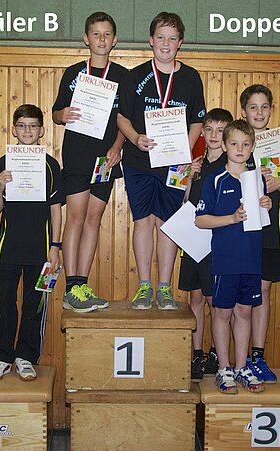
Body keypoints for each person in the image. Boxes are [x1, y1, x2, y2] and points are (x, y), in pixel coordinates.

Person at [117, 11, 206, 310]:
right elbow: (122, 118)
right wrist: (134, 138)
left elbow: (197, 121)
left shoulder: (191, 78)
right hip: (138, 162)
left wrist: (184, 151)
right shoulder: (134, 76)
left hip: (174, 164)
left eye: (172, 38)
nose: (166, 44)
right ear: (151, 41)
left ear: (180, 43)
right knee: (143, 221)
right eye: (160, 37)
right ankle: (145, 286)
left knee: (168, 222)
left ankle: (164, 288)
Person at [52, 12, 127, 313]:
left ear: (114, 39)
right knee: (76, 218)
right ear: (86, 38)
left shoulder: (122, 75)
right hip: (77, 155)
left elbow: (124, 120)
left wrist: (117, 147)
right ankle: (71, 288)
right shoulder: (73, 73)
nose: (101, 39)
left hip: (105, 158)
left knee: (94, 219)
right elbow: (56, 112)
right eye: (96, 33)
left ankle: (81, 285)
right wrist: (63, 114)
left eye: (107, 34)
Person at [0, 104, 64, 382]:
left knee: (35, 304)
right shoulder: (3, 163)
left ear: (42, 131)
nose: (27, 130)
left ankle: (26, 357)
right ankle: (2, 357)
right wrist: (0, 187)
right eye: (22, 125)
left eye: (32, 126)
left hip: (41, 249)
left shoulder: (51, 165)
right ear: (13, 130)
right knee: (4, 303)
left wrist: (55, 246)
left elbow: (56, 209)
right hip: (8, 248)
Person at [195, 119, 272, 393]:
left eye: (245, 144)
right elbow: (200, 220)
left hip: (251, 259)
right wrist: (230, 218)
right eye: (235, 144)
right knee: (222, 312)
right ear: (225, 146)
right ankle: (224, 368)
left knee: (244, 312)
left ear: (252, 148)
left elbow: (262, 217)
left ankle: (241, 367)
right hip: (225, 260)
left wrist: (266, 204)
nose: (240, 149)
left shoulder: (257, 180)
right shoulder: (215, 180)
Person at [240, 84, 280, 384]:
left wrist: (278, 185)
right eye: (253, 107)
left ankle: (258, 355)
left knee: (263, 291)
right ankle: (237, 359)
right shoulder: (237, 143)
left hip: (271, 232)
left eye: (264, 107)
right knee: (241, 293)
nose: (259, 112)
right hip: (241, 231)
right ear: (243, 112)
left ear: (271, 110)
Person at [179, 108, 233, 381]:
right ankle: (197, 354)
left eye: (220, 131)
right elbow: (185, 201)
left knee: (216, 301)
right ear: (202, 132)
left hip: (217, 242)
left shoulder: (230, 165)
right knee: (196, 298)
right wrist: (190, 177)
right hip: (193, 240)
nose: (214, 135)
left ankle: (216, 353)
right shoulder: (197, 163)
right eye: (209, 129)